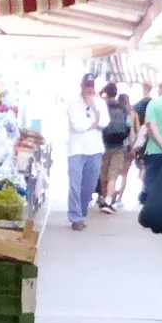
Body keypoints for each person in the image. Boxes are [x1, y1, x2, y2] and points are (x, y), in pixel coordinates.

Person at [62, 74, 107, 228]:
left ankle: (81, 211)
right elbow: (77, 126)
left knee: (89, 184)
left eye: (91, 85)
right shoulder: (73, 103)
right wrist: (93, 125)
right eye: (86, 85)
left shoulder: (100, 103)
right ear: (81, 85)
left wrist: (93, 107)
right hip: (76, 149)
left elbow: (104, 122)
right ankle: (76, 217)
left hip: (95, 149)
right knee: (75, 184)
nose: (88, 88)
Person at [99, 80, 135, 210]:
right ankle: (108, 201)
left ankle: (104, 198)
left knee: (103, 173)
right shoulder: (124, 108)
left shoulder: (101, 106)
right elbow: (129, 128)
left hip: (103, 144)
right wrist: (131, 146)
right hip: (119, 145)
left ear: (105, 93)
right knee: (113, 174)